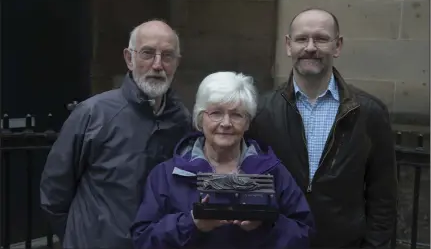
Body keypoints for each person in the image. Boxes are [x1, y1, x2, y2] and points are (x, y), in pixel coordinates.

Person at [247, 8, 397, 248]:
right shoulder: (261, 111)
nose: (310, 47)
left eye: (321, 38)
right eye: (301, 39)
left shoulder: (368, 112)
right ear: (288, 45)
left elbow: (383, 196)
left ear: (337, 46)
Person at [39, 20, 191, 249]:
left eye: (167, 56)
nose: (158, 65)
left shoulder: (181, 120)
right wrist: (82, 239)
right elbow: (54, 194)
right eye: (147, 53)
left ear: (177, 63)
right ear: (129, 59)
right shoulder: (93, 114)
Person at [131, 71, 314, 249]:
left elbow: (304, 233)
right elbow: (143, 239)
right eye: (216, 113)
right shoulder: (167, 175)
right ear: (200, 119)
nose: (226, 123)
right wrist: (191, 224)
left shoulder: (272, 171)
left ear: (248, 122)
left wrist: (265, 225)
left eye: (236, 115)